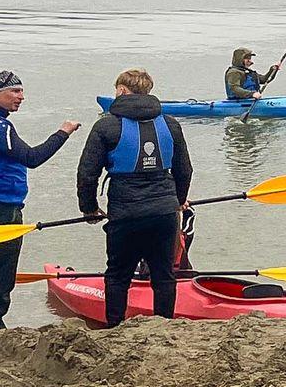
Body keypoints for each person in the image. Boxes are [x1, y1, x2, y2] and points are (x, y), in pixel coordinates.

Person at [0, 70, 79, 329]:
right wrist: (63, 133)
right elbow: (32, 158)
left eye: (21, 91)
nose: (21, 97)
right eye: (14, 91)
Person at [75, 68, 196, 327]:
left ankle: (114, 327)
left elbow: (87, 173)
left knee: (118, 275)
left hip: (125, 213)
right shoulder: (171, 124)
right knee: (163, 276)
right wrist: (178, 199)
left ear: (121, 91)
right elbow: (184, 169)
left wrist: (89, 209)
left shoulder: (106, 125)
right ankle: (164, 326)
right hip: (164, 213)